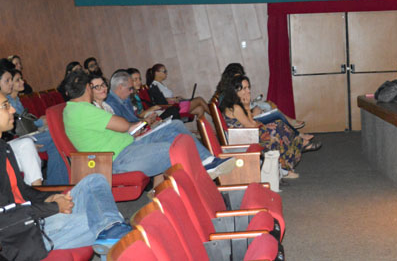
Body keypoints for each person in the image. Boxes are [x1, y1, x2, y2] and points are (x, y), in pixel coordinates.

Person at [0, 91, 132, 257]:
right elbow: (5, 217)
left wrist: (51, 197)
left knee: (95, 180)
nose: (13, 110)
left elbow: (22, 191)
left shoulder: (3, 147)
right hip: (21, 235)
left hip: (33, 216)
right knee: (103, 224)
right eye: (5, 106)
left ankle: (113, 229)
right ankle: (116, 233)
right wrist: (53, 207)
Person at [62, 70, 235, 179]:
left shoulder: (76, 108)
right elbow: (123, 125)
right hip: (119, 159)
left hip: (129, 145)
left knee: (174, 126)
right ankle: (197, 183)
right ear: (87, 88)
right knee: (175, 148)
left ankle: (207, 161)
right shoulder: (82, 110)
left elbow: (123, 127)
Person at [219, 75, 317, 179]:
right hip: (243, 138)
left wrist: (249, 111)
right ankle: (287, 164)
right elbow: (251, 126)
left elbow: (251, 123)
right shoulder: (235, 107)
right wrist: (248, 108)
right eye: (244, 88)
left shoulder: (236, 104)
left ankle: (286, 164)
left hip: (247, 134)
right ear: (235, 90)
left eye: (248, 87)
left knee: (279, 124)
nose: (248, 91)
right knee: (276, 133)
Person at [3, 67, 69, 185]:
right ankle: (56, 183)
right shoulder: (5, 102)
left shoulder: (16, 100)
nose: (22, 82)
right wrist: (39, 123)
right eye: (10, 80)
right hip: (19, 139)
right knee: (55, 137)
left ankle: (59, 182)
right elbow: (17, 128)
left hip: (28, 135)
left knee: (56, 135)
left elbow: (25, 123)